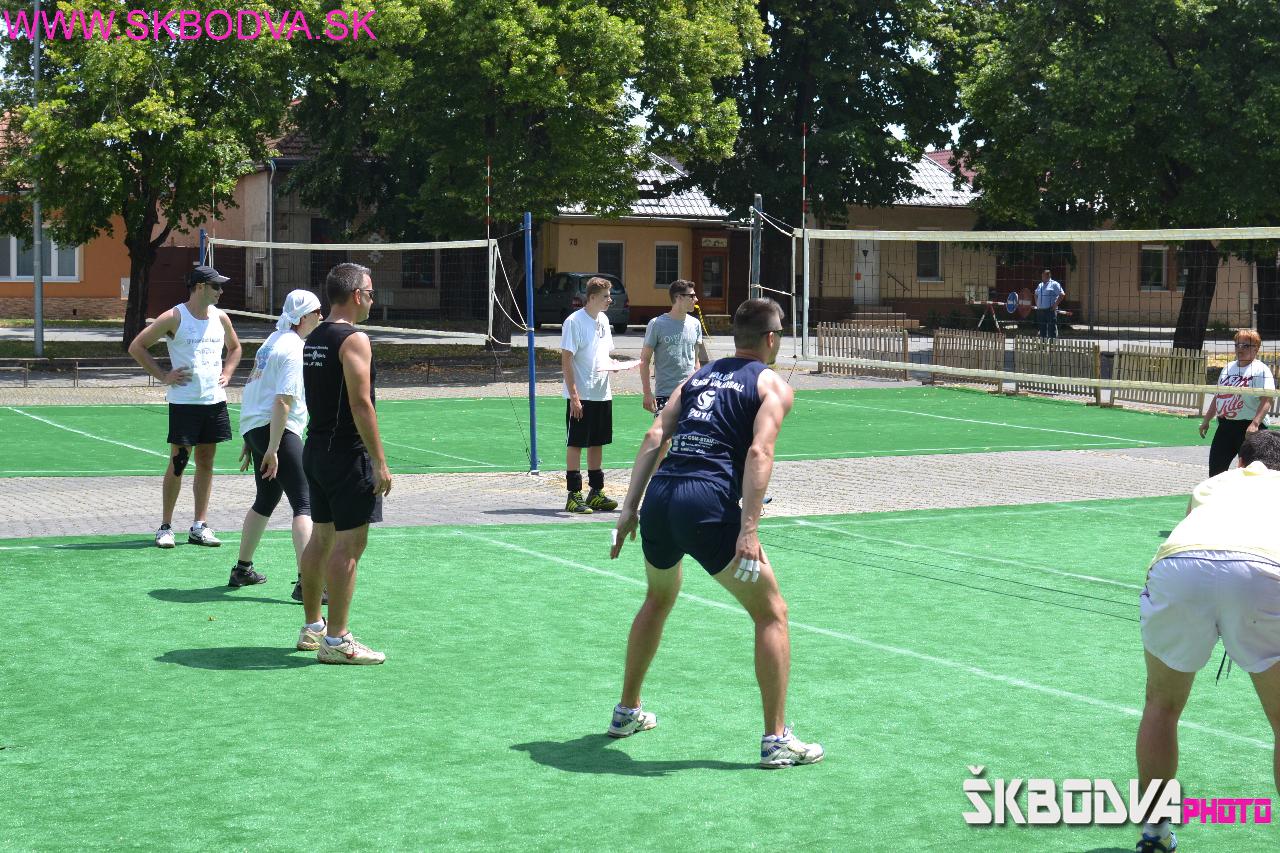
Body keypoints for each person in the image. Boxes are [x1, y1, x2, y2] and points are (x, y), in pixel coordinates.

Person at [607, 297, 824, 768]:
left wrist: (628, 509)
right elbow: (758, 454)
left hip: (661, 499)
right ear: (771, 340)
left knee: (658, 597)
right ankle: (776, 739)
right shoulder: (773, 385)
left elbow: (652, 437)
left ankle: (627, 711)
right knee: (772, 614)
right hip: (705, 502)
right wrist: (749, 529)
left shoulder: (698, 377)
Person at [1134, 429, 1280, 852]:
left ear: (1239, 463)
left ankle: (1155, 834)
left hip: (1178, 565)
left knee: (1160, 707)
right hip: (1264, 568)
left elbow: (1194, 536)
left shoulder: (1213, 484)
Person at [296, 263, 392, 664]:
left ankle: (313, 627)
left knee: (321, 538)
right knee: (350, 545)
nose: (372, 299)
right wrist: (379, 460)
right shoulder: (354, 339)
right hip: (345, 455)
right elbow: (360, 402)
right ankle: (337, 640)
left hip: (315, 450)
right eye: (369, 292)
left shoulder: (314, 335)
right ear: (355, 295)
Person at [128, 264, 242, 550]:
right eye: (216, 286)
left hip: (214, 403)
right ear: (200, 287)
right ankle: (166, 527)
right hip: (184, 404)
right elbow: (137, 347)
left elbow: (235, 348)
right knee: (178, 463)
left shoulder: (221, 318)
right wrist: (163, 376)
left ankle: (199, 525)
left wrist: (227, 373)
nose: (221, 291)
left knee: (206, 463)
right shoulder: (174, 317)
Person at [230, 290, 323, 592]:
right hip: (276, 432)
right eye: (317, 311)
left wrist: (251, 437)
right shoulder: (294, 348)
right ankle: (308, 582)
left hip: (258, 428)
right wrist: (271, 448)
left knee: (267, 499)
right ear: (304, 317)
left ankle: (242, 569)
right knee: (304, 503)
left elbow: (255, 389)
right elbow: (282, 401)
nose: (321, 317)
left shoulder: (271, 341)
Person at [561, 277, 628, 514]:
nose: (610, 300)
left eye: (609, 296)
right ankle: (573, 494)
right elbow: (566, 360)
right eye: (606, 296)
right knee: (576, 442)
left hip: (602, 393)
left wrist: (615, 365)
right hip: (582, 393)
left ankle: (595, 492)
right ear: (591, 298)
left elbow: (603, 356)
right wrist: (574, 396)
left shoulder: (604, 319)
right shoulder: (574, 322)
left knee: (598, 441)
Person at [1199, 328, 1274, 476]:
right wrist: (1206, 420)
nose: (1240, 348)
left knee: (1251, 474)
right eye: (1237, 345)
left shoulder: (1261, 370)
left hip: (1249, 429)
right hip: (1226, 426)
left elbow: (1267, 400)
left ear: (1256, 349)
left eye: (1245, 345)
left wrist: (1255, 424)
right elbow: (1218, 396)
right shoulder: (1228, 368)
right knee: (1216, 471)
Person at [640, 279, 703, 424]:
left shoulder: (695, 324)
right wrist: (647, 393)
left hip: (689, 393)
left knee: (687, 441)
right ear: (679, 297)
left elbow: (696, 361)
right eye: (692, 296)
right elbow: (644, 360)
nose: (696, 299)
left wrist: (698, 386)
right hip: (665, 393)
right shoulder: (657, 324)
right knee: (662, 440)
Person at [1033, 269, 1064, 339]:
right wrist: (1037, 304)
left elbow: (1062, 294)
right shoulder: (1040, 285)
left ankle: (1052, 346)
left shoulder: (1054, 284)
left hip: (1050, 310)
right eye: (1042, 276)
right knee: (1042, 329)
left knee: (1051, 329)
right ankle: (1043, 347)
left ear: (1048, 276)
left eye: (1043, 276)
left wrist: (1055, 305)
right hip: (1041, 310)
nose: (1042, 277)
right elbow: (1035, 294)